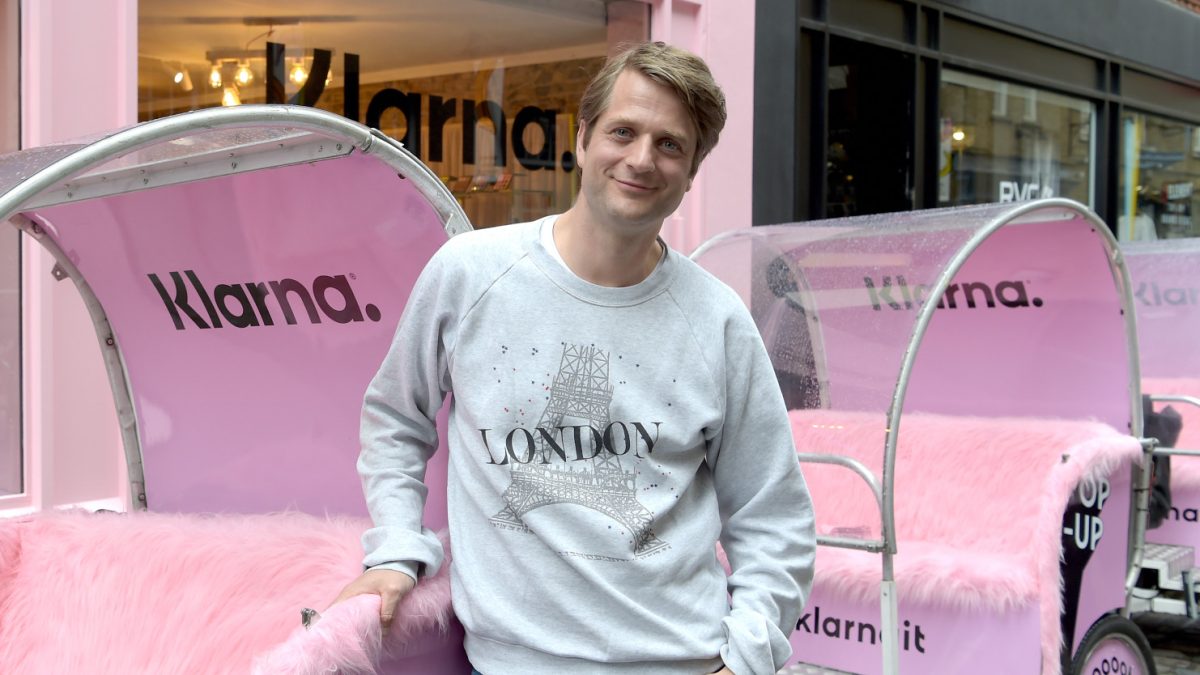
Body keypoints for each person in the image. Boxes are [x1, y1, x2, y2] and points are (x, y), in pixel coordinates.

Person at [333, 41, 816, 675]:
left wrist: (746, 658)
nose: (641, 159)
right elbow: (397, 418)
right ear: (583, 139)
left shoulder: (718, 318)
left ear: (692, 171)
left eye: (670, 144)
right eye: (624, 132)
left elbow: (773, 513)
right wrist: (397, 549)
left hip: (684, 660)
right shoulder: (469, 274)